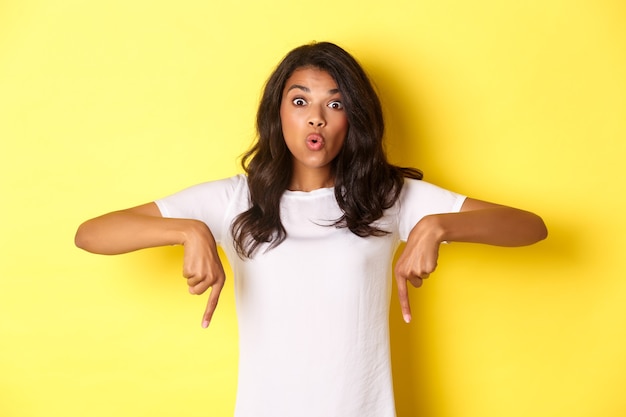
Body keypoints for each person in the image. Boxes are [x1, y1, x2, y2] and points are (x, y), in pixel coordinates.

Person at [75, 42, 547, 417]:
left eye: (334, 103)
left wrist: (436, 225)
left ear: (352, 119)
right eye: (300, 100)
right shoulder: (234, 200)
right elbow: (91, 234)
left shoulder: (385, 196)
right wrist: (189, 231)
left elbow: (531, 226)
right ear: (278, 114)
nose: (315, 116)